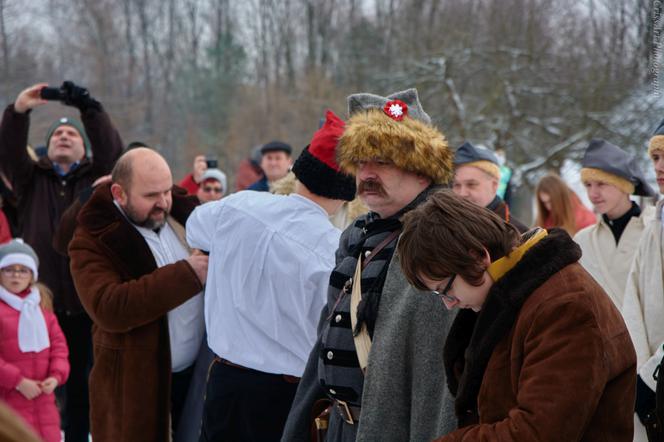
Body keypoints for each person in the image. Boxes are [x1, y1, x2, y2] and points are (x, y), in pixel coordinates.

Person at [282, 89, 457, 442]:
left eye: (382, 161)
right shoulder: (359, 233)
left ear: (422, 168)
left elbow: (435, 377)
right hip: (341, 427)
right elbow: (329, 334)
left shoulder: (443, 237)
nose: (367, 174)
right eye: (360, 163)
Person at [397, 190, 636, 441]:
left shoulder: (564, 307)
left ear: (478, 257)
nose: (449, 304)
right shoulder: (514, 297)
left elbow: (538, 432)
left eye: (445, 289)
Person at [187, 109, 356, 442]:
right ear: (347, 193)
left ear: (297, 171)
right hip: (287, 395)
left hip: (226, 381)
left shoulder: (238, 207)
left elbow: (195, 229)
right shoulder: (333, 251)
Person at [0, 81, 123, 441]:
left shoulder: (97, 179)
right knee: (39, 386)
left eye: (72, 133)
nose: (64, 136)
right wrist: (19, 110)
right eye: (58, 133)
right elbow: (8, 151)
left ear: (84, 148)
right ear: (47, 146)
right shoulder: (30, 179)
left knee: (86, 385)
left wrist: (89, 107)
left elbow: (111, 150)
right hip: (42, 304)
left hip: (87, 303)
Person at [68, 148, 209, 442]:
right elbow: (109, 307)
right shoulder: (91, 239)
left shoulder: (184, 213)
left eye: (167, 191)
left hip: (197, 379)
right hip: (136, 389)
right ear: (119, 193)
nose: (163, 203)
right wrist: (188, 274)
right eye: (150, 196)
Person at [0, 239, 70, 442]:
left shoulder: (42, 309)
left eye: (23, 270)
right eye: (9, 269)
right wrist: (18, 382)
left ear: (32, 275)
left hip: (44, 398)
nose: (16, 275)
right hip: (9, 399)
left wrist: (56, 376)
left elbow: (59, 347)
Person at [574, 139, 655, 310]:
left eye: (601, 183)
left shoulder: (654, 230)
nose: (592, 194)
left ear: (624, 186)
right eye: (588, 185)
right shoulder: (583, 240)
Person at [622, 120, 664, 442]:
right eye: (655, 157)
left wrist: (653, 375)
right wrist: (638, 375)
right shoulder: (656, 226)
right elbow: (632, 301)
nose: (659, 166)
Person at [452, 141, 527, 232]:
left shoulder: (519, 236)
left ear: (494, 186)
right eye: (456, 185)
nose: (462, 193)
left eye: (471, 184)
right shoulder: (441, 229)